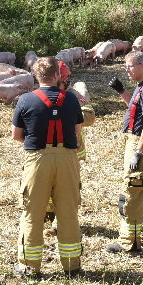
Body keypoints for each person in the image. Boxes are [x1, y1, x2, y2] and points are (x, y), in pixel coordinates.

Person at [11, 57, 84, 277]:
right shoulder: (71, 100)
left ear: (36, 76)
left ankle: (29, 267)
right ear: (57, 76)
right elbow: (78, 130)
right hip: (67, 160)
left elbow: (17, 136)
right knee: (68, 212)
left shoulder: (25, 100)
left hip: (37, 160)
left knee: (32, 213)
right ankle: (72, 267)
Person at [107, 51, 143, 253]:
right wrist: (121, 91)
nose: (126, 70)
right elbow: (135, 109)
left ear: (142, 66)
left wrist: (138, 151)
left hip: (141, 142)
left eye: (129, 66)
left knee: (133, 189)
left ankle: (129, 242)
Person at [44, 59, 96, 234]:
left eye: (67, 78)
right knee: (47, 185)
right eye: (64, 77)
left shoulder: (75, 95)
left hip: (71, 151)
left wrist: (68, 115)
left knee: (66, 188)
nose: (66, 81)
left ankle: (61, 221)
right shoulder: (42, 94)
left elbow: (89, 117)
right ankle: (49, 214)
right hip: (47, 149)